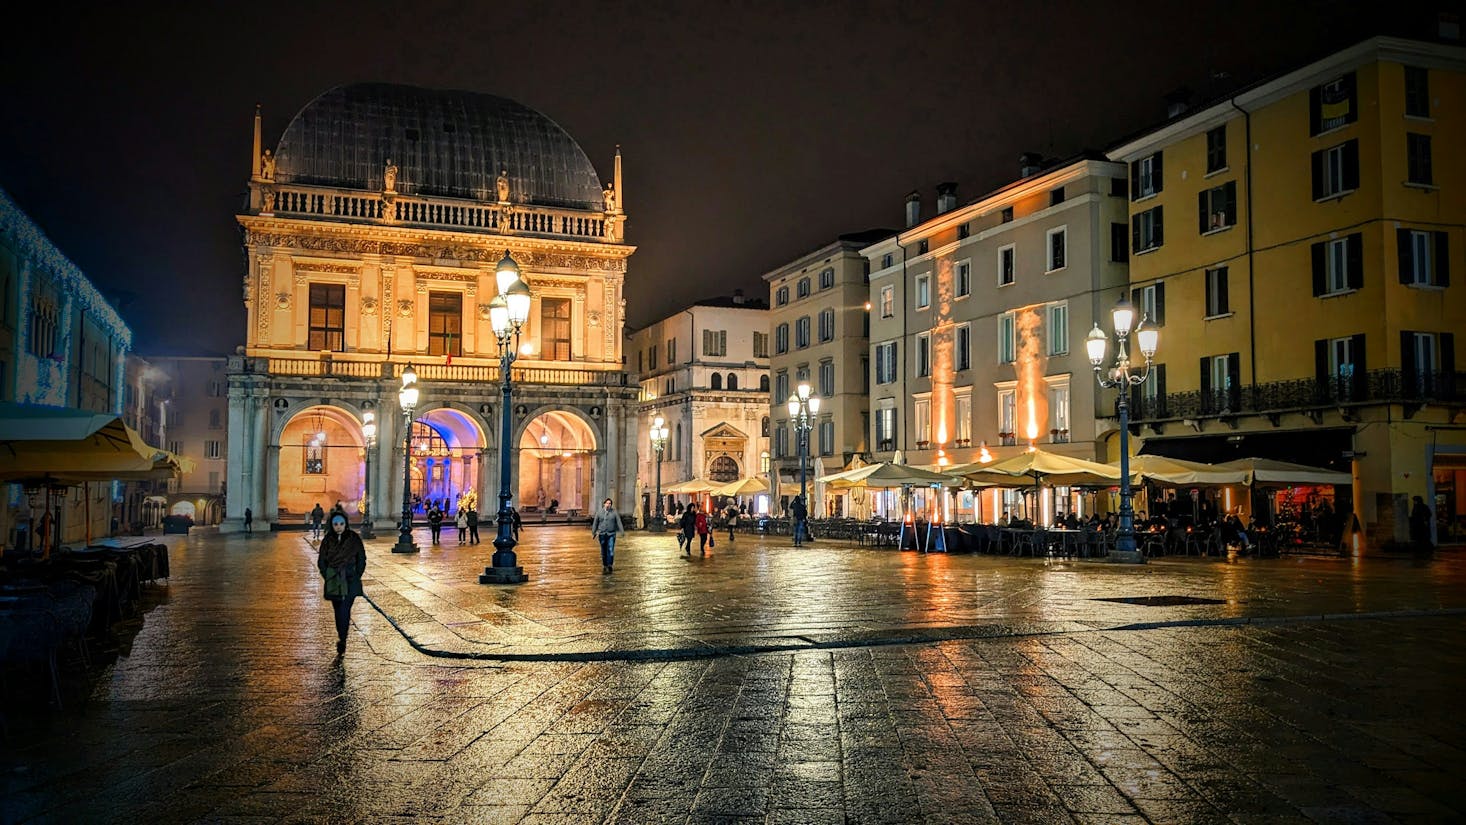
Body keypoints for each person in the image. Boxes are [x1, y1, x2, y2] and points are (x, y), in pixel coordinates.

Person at [317, 513, 366, 654]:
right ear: (332, 525)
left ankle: (343, 639)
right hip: (334, 582)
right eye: (335, 524)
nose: (339, 527)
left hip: (350, 581)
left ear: (346, 524)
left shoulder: (354, 539)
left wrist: (356, 575)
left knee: (344, 610)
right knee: (338, 611)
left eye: (341, 524)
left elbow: (361, 559)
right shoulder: (328, 540)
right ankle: (341, 635)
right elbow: (321, 561)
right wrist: (327, 574)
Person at [591, 497, 625, 574]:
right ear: (604, 504)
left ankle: (610, 564)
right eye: (607, 503)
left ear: (611, 505)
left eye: (609, 503)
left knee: (610, 550)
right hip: (602, 534)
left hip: (611, 534)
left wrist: (622, 531)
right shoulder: (599, 512)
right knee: (604, 550)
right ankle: (605, 564)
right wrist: (593, 532)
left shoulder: (614, 512)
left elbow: (619, 522)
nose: (608, 505)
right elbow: (595, 523)